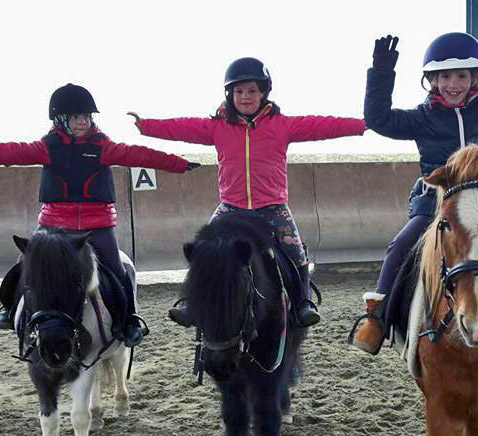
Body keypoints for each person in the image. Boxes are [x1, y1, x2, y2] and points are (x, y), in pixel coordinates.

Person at [128, 57, 367, 328]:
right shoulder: (217, 127)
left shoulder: (282, 125)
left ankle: (303, 302)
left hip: (272, 207)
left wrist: (361, 124)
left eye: (252, 91)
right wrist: (146, 126)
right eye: (239, 91)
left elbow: (322, 126)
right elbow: (182, 127)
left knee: (296, 251)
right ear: (230, 95)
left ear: (263, 92)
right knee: (205, 249)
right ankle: (189, 301)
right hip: (231, 207)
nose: (245, 97)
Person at [352, 32, 478, 354]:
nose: (454, 83)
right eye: (445, 76)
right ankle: (377, 319)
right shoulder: (422, 118)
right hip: (435, 202)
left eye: (462, 75)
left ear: (476, 78)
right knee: (400, 245)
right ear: (433, 81)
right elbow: (378, 119)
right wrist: (381, 74)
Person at [0, 83, 200, 346]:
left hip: (97, 226)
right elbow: (13, 151)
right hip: (53, 225)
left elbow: (141, 155)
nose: (83, 121)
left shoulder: (103, 146)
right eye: (75, 117)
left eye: (86, 116)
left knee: (118, 271)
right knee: (25, 262)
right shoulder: (46, 147)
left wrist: (180, 164)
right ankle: (9, 309)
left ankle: (128, 320)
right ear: (61, 120)